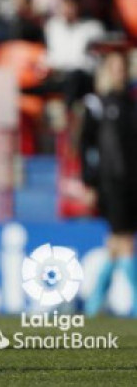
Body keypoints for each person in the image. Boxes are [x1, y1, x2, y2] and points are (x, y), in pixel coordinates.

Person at [80, 48, 137, 316]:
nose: (120, 73)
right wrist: (89, 182)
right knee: (124, 241)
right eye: (115, 68)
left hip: (132, 182)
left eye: (123, 68)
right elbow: (85, 147)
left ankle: (93, 305)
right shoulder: (98, 105)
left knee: (115, 245)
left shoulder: (131, 105)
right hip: (112, 183)